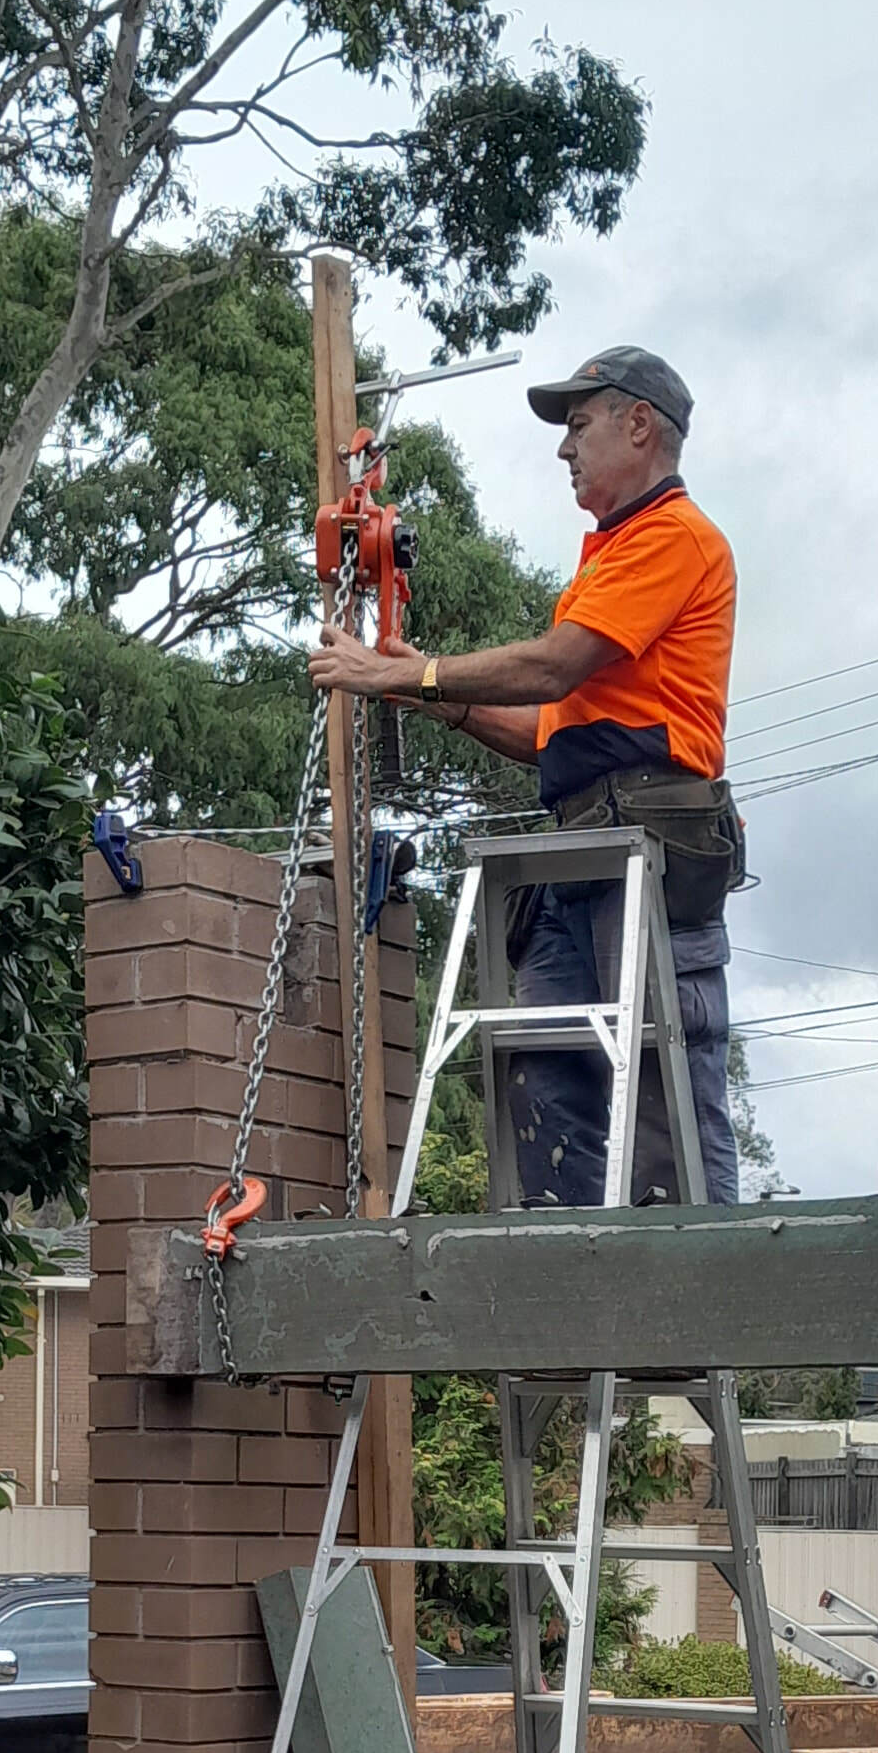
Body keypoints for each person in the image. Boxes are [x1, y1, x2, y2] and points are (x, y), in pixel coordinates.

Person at [309, 343, 741, 1208]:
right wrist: (438, 694)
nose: (563, 448)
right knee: (544, 1077)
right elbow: (556, 734)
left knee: (665, 1097)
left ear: (640, 424)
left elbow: (553, 668)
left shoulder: (674, 539)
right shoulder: (611, 553)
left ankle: (693, 1317)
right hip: (582, 846)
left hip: (649, 846)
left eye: (578, 424)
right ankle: (562, 1308)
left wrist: (402, 676)